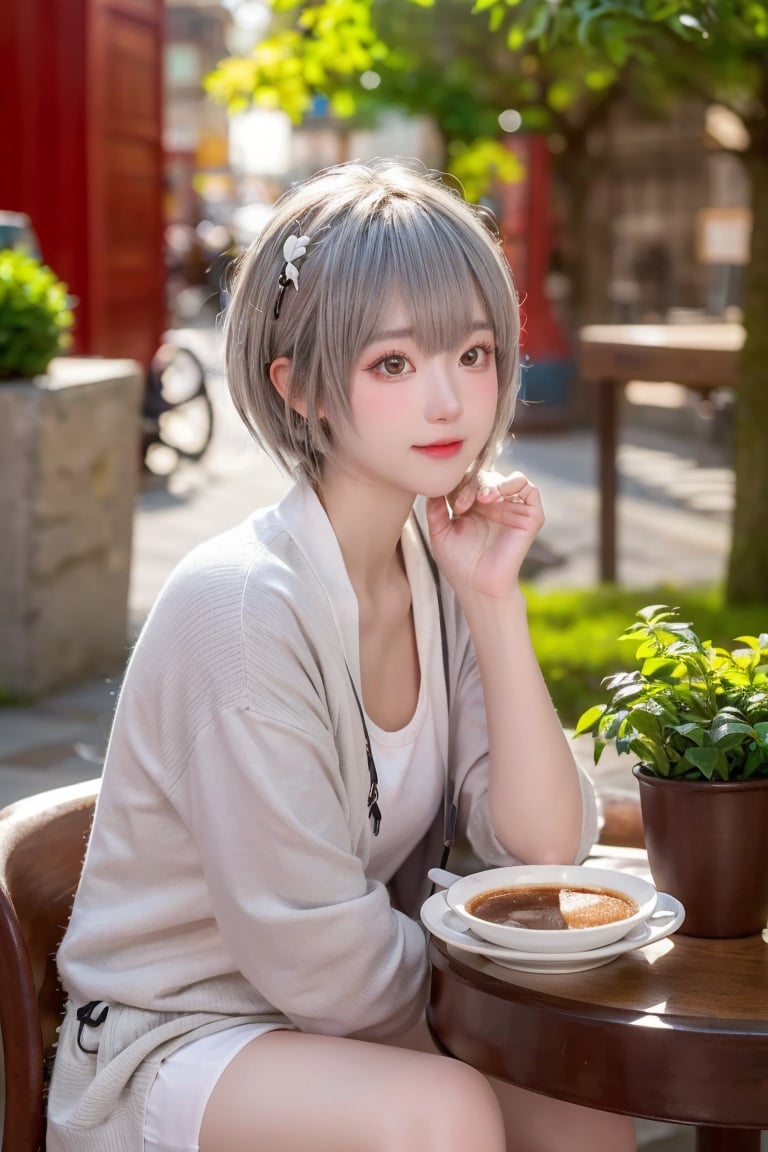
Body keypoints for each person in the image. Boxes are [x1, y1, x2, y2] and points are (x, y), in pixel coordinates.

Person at [47, 159, 635, 1152]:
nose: (450, 402)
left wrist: (494, 601)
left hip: (335, 1016)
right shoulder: (240, 609)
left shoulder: (438, 567)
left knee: (580, 1094)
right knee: (446, 1112)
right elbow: (313, 948)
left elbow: (541, 850)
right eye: (394, 365)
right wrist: (473, 1035)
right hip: (174, 1040)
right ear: (302, 388)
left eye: (475, 354)